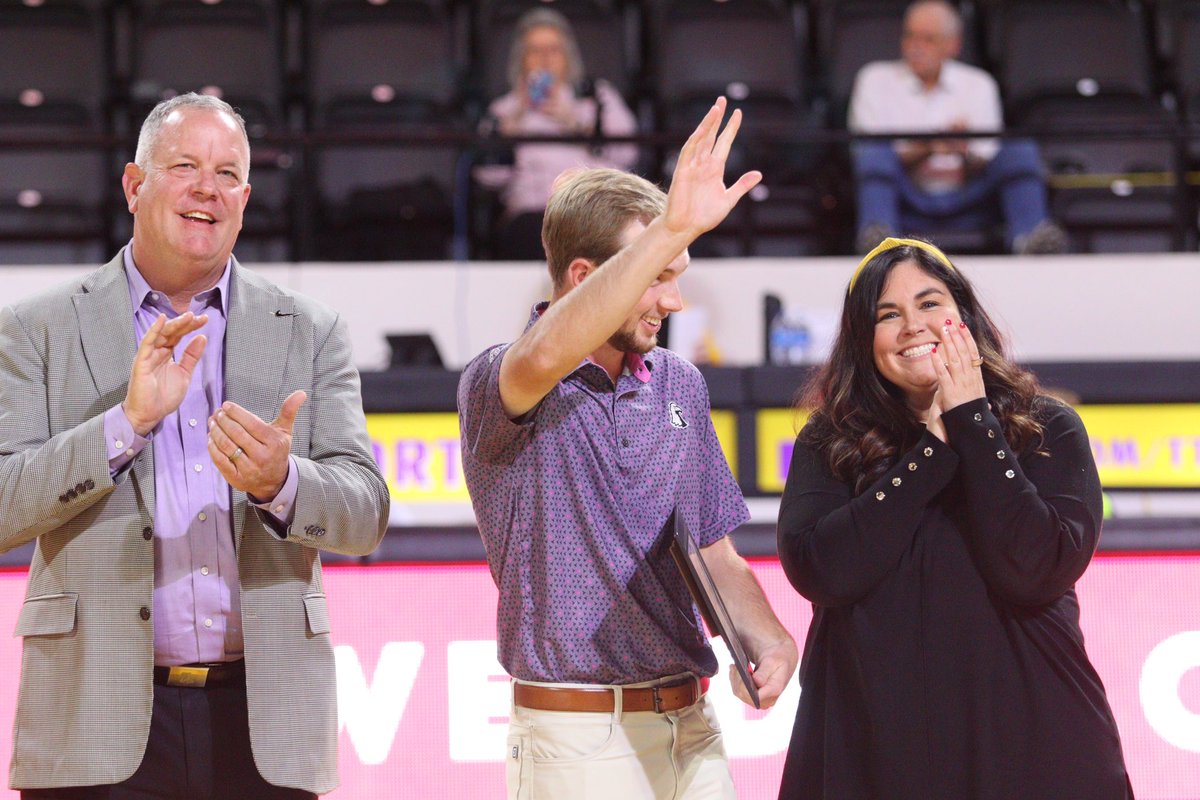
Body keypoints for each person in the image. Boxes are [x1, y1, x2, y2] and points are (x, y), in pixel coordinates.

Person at [0, 93, 390, 799]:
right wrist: (124, 426)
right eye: (184, 165)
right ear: (133, 185)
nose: (206, 187)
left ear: (244, 197)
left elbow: (364, 513)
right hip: (93, 723)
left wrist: (283, 483)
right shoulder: (38, 328)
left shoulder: (310, 329)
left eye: (227, 172)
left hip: (264, 727)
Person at [458, 98, 798, 799]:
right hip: (574, 740)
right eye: (658, 275)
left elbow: (711, 549)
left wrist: (768, 639)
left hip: (691, 726)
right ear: (585, 278)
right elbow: (550, 346)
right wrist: (672, 223)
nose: (672, 303)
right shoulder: (505, 379)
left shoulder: (680, 383)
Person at [775, 237, 1133, 798]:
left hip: (1034, 743)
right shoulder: (832, 439)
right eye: (887, 315)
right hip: (873, 745)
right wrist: (932, 450)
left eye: (930, 303)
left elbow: (1037, 568)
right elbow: (822, 570)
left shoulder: (1046, 427)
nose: (913, 325)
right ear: (862, 342)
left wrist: (972, 420)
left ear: (963, 316)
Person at [847, 0, 1066, 255]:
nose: (915, 46)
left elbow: (984, 158)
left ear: (953, 45)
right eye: (909, 36)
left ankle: (1030, 239)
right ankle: (880, 248)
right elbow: (864, 155)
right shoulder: (874, 79)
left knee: (1020, 151)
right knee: (874, 155)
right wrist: (929, 146)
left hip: (969, 197)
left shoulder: (978, 84)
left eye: (928, 39)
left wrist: (962, 149)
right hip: (906, 199)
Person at [476, 6, 638, 260]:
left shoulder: (596, 97)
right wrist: (508, 135)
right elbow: (488, 176)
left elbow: (628, 154)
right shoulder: (505, 109)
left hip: (592, 211)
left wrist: (576, 124)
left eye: (554, 50)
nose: (545, 59)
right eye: (535, 51)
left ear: (568, 57)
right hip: (533, 216)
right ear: (521, 60)